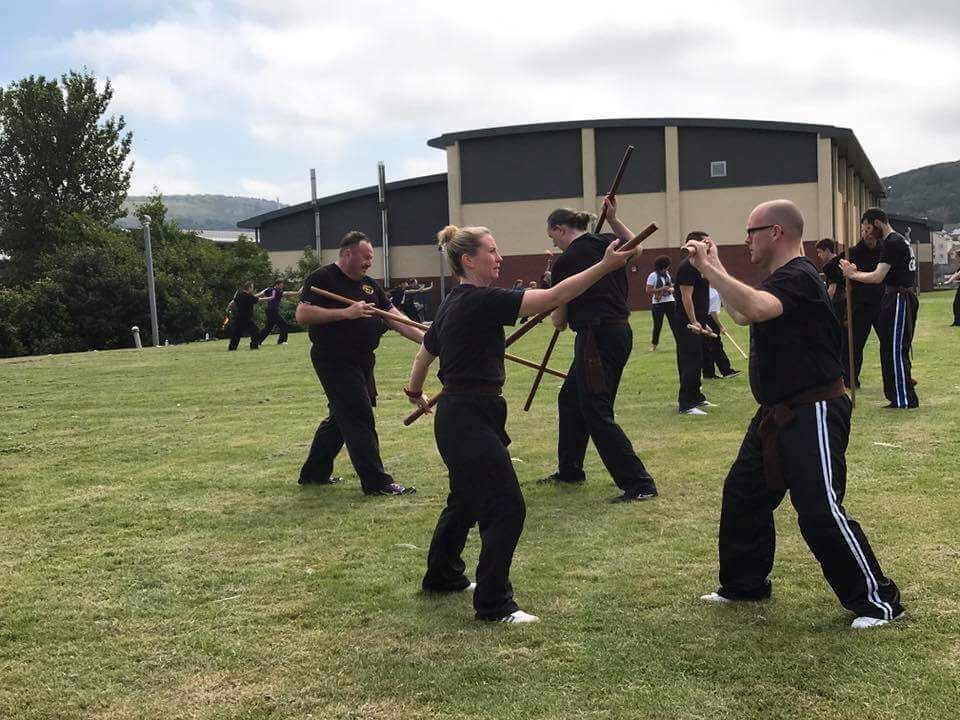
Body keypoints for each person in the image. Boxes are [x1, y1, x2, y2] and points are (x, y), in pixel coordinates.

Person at [404, 223, 640, 623]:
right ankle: (495, 605)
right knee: (506, 507)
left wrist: (415, 392)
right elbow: (555, 296)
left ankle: (442, 576)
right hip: (468, 417)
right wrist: (604, 265)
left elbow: (426, 352)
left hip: (465, 414)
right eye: (492, 251)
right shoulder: (481, 300)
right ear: (468, 259)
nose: (500, 258)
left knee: (464, 499)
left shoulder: (453, 301)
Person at [687, 199, 904, 629]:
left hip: (815, 410)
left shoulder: (801, 276)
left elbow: (753, 309)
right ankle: (745, 584)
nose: (745, 239)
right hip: (776, 412)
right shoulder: (781, 280)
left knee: (820, 509)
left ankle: (879, 603)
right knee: (743, 494)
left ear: (776, 233)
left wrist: (712, 269)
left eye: (751, 231)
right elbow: (742, 312)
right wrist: (713, 271)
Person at [538, 198, 659, 502]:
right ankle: (570, 469)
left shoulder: (566, 262)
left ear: (560, 229)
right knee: (569, 398)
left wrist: (552, 304)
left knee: (595, 410)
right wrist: (615, 219)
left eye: (551, 235)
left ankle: (639, 483)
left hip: (597, 337)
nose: (552, 241)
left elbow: (560, 322)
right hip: (616, 332)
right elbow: (638, 248)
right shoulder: (608, 241)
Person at [296, 231, 425, 494]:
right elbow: (302, 314)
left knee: (341, 417)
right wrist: (347, 312)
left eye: (371, 259)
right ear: (347, 254)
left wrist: (429, 340)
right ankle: (378, 483)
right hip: (333, 358)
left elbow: (393, 316)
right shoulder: (322, 278)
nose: (369, 263)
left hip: (363, 360)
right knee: (358, 415)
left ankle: (314, 474)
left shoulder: (369, 285)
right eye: (365, 257)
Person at [840, 208, 919, 409]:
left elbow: (877, 277)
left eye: (868, 228)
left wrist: (852, 274)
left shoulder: (892, 243)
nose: (866, 234)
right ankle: (898, 395)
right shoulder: (898, 240)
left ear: (877, 223)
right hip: (898, 297)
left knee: (894, 350)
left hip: (899, 298)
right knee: (891, 348)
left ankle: (903, 398)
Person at [674, 233, 717, 414]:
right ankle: (686, 403)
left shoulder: (700, 266)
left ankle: (697, 398)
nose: (708, 244)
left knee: (698, 359)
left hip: (698, 320)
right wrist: (694, 321)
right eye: (705, 241)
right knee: (690, 359)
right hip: (686, 322)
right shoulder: (687, 268)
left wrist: (703, 321)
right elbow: (686, 297)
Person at [846, 226, 885, 387]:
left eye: (870, 230)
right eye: (864, 231)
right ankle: (850, 378)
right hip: (861, 304)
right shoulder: (853, 252)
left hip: (883, 302)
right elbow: (831, 268)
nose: (867, 234)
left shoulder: (885, 250)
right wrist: (847, 272)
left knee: (890, 342)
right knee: (855, 344)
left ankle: (898, 376)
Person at [815, 238, 849, 386]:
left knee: (836, 338)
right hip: (845, 302)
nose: (819, 256)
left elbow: (832, 289)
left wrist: (824, 306)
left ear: (827, 251)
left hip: (838, 304)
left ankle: (841, 372)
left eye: (820, 252)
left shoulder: (831, 265)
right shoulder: (842, 263)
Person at [702, 286, 739, 380]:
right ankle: (722, 371)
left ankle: (712, 373)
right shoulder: (711, 291)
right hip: (707, 318)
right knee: (713, 346)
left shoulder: (713, 290)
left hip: (706, 318)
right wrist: (720, 326)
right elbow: (712, 312)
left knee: (710, 346)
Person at [645, 255, 677, 352]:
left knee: (675, 324)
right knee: (658, 325)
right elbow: (648, 290)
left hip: (670, 301)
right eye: (667, 266)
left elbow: (673, 284)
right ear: (663, 266)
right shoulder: (653, 276)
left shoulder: (668, 275)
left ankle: (679, 343)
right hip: (658, 303)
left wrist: (671, 289)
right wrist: (661, 289)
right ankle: (654, 345)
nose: (668, 268)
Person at [255, 280, 299, 345]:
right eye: (281, 285)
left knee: (268, 328)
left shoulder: (268, 289)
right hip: (272, 311)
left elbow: (259, 295)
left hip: (269, 311)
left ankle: (257, 341)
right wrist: (297, 293)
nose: (282, 286)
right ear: (276, 285)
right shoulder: (277, 291)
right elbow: (287, 293)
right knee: (283, 325)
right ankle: (282, 341)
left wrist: (250, 297)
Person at [227, 281, 262, 351]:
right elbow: (258, 300)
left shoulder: (239, 295)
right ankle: (254, 346)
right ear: (249, 288)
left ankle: (232, 348)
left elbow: (232, 303)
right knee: (255, 331)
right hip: (246, 318)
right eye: (252, 287)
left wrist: (229, 309)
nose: (252, 289)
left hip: (239, 317)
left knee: (236, 333)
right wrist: (271, 298)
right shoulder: (248, 296)